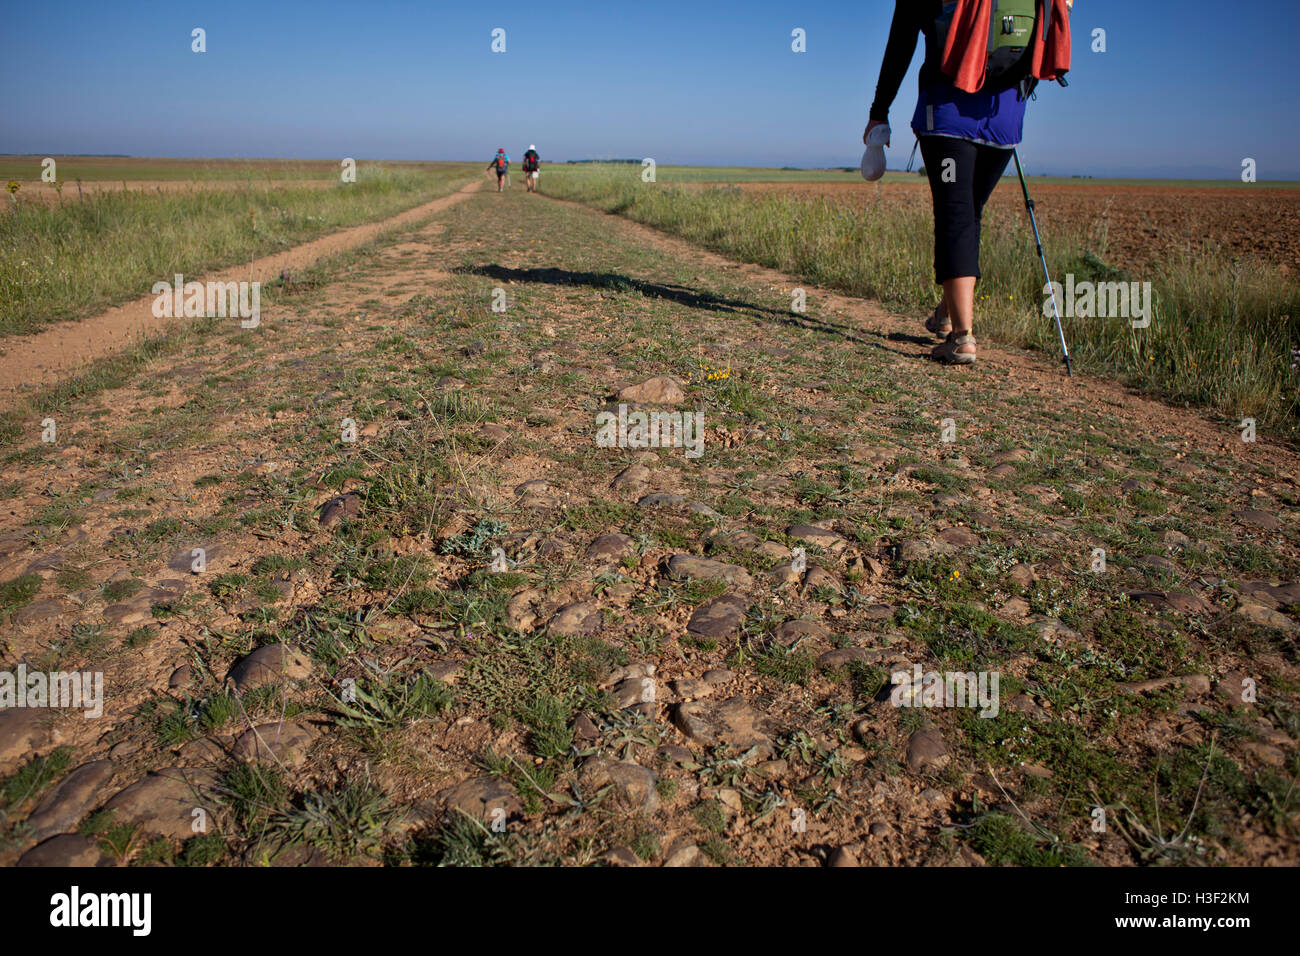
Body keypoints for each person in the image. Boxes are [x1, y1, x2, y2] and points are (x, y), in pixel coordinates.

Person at [866, 0, 1070, 365]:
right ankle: (946, 315)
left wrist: (878, 112)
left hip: (946, 116)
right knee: (970, 211)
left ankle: (962, 338)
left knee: (955, 212)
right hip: (1005, 121)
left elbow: (900, 44)